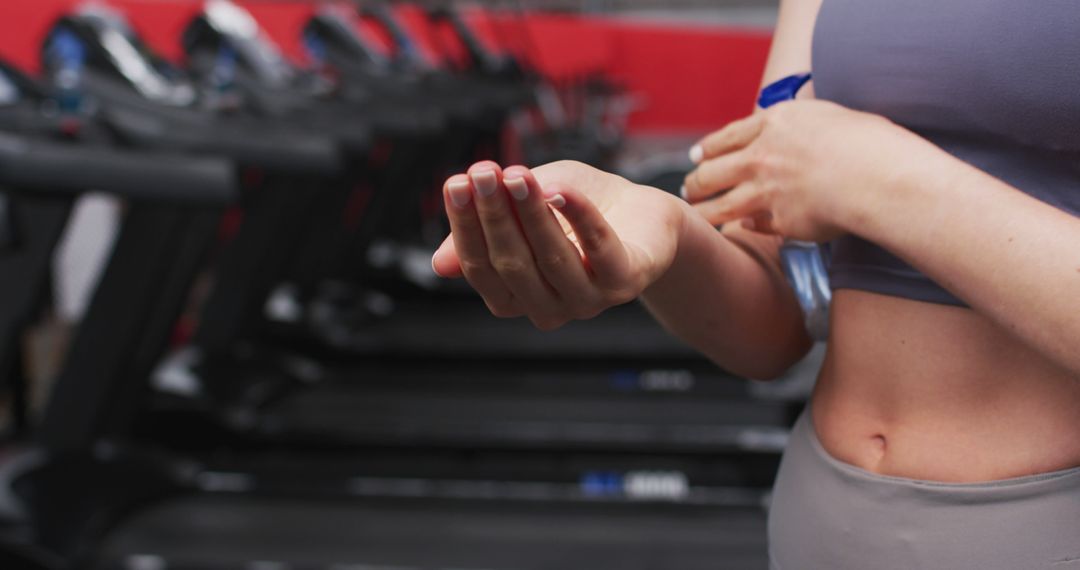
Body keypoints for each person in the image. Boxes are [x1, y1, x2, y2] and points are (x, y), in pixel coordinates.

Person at [430, 0, 1080, 567]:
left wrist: (882, 184)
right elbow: (772, 320)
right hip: (823, 517)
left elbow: (850, 171)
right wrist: (673, 237)